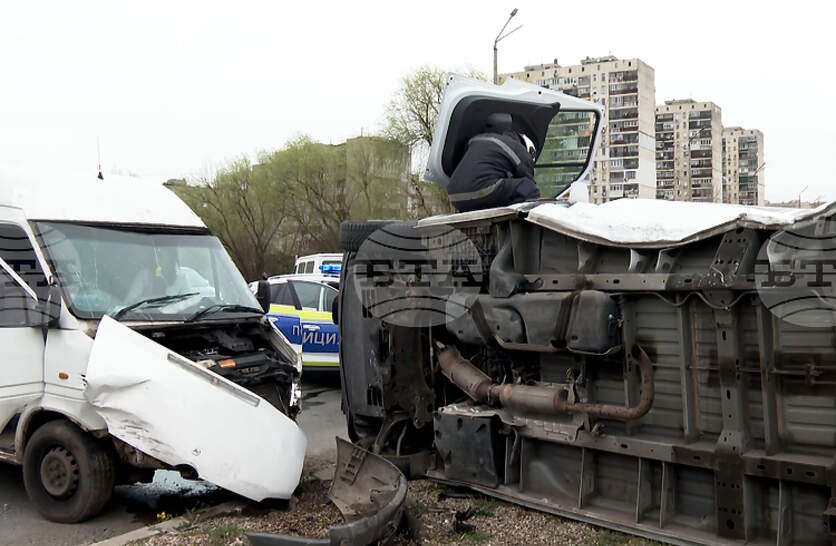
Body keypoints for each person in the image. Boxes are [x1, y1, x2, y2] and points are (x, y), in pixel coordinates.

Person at [446, 113, 541, 212]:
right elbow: (529, 181)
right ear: (529, 149)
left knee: (505, 189)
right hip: (481, 188)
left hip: (455, 196)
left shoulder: (479, 139)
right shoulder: (519, 149)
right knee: (528, 187)